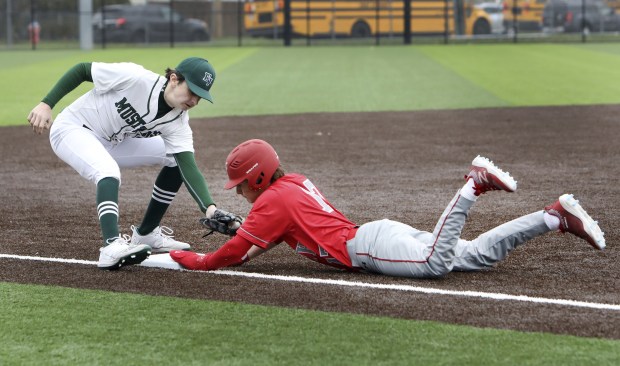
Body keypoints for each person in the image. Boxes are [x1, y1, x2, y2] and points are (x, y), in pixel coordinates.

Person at [169, 139, 606, 278]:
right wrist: (248, 229)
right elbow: (269, 236)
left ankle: (473, 184)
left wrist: (185, 258)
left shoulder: (272, 200)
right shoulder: (292, 185)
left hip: (369, 248)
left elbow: (231, 257)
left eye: (242, 183)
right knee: (474, 255)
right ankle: (553, 216)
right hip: (377, 235)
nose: (239, 191)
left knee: (436, 265)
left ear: (259, 176)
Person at [27, 57, 240, 270]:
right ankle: (110, 247)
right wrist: (47, 104)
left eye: (200, 97)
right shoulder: (135, 78)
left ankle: (146, 233)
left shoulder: (178, 122)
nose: (194, 101)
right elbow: (82, 70)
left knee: (174, 159)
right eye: (192, 91)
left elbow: (188, 166)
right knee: (107, 171)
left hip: (112, 141)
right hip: (72, 129)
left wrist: (210, 209)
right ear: (174, 79)